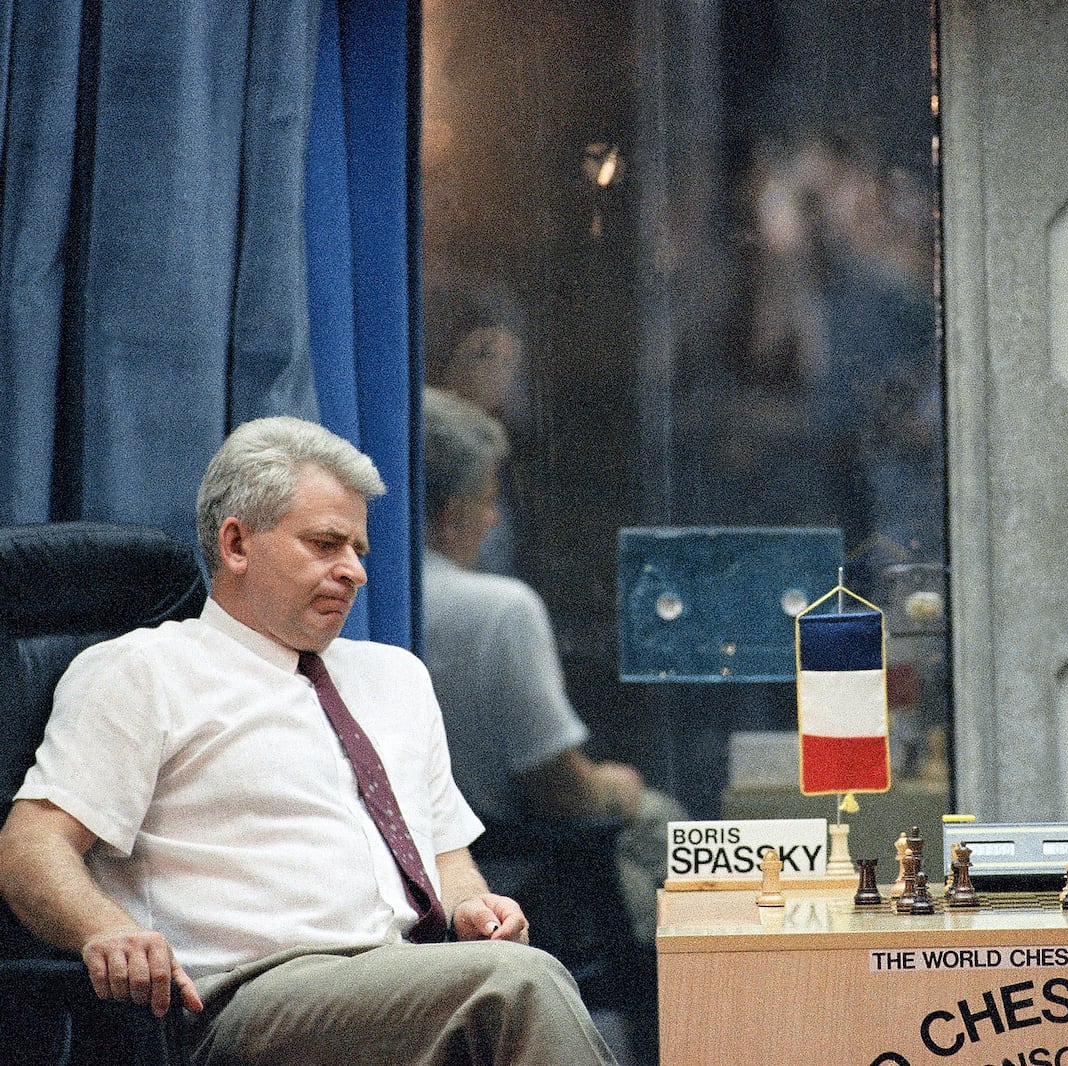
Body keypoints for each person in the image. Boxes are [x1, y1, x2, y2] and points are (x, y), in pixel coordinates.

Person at [0, 416, 617, 1065]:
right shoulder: (141, 673)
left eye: (358, 550)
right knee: (517, 985)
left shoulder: (397, 677)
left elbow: (446, 857)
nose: (355, 572)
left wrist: (472, 907)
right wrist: (107, 931)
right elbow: (29, 848)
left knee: (505, 971)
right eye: (326, 545)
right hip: (245, 998)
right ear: (236, 544)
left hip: (404, 978)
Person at [421, 387, 682, 945]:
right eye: (487, 500)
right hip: (512, 876)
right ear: (449, 513)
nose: (493, 520)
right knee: (671, 844)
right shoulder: (499, 610)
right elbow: (560, 791)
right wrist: (613, 789)